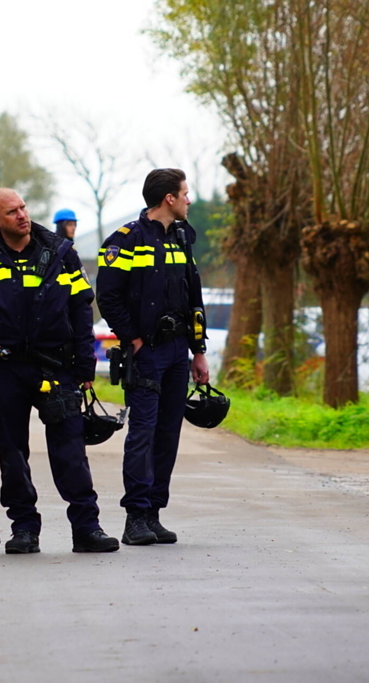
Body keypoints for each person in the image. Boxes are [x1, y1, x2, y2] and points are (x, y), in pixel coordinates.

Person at [0, 188, 118, 554]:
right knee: (12, 454)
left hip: (57, 365)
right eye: (12, 212)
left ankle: (87, 529)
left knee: (70, 450)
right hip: (4, 368)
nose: (22, 215)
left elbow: (80, 308)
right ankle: (24, 529)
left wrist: (84, 363)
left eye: (23, 207)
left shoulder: (60, 252)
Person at [96, 168, 210, 546]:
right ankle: (135, 518)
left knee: (168, 434)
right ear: (169, 199)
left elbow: (194, 298)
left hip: (179, 352)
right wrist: (134, 338)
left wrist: (199, 352)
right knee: (142, 433)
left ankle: (154, 513)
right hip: (146, 353)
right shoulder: (126, 240)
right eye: (185, 193)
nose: (189, 200)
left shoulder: (181, 239)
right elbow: (108, 295)